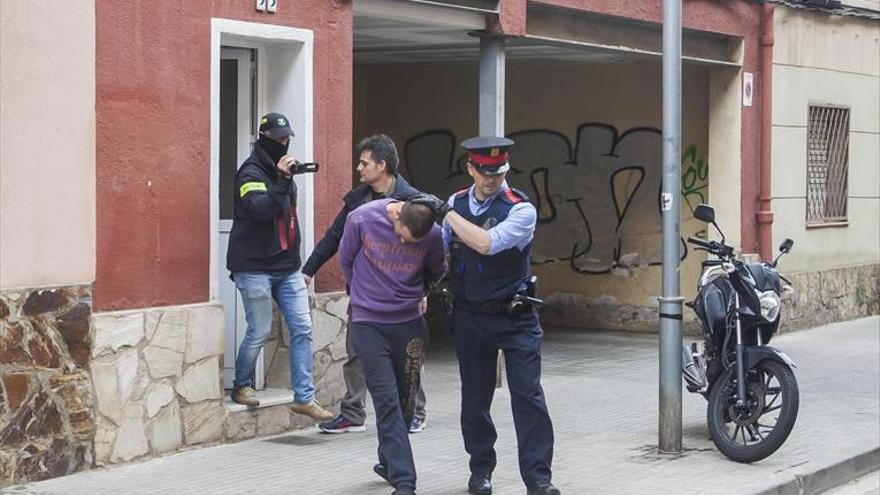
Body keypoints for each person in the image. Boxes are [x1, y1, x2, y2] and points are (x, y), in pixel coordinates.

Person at [411, 136, 561, 495]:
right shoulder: (457, 203)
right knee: (475, 399)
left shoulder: (520, 208)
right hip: (470, 316)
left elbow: (487, 243)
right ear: (471, 168)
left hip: (516, 316)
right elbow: (442, 254)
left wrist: (446, 214)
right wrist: (419, 285)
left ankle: (539, 479)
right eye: (484, 172)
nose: (492, 179)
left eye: (498, 172)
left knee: (528, 396)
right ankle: (480, 471)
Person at [303, 135, 429, 434]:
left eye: (364, 162)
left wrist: (423, 290)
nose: (359, 168)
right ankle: (353, 413)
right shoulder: (357, 200)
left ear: (382, 165)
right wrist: (308, 270)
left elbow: (426, 250)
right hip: (364, 294)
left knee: (407, 355)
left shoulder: (412, 201)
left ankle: (415, 411)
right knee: (357, 351)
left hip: (402, 295)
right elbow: (335, 237)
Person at [226, 112, 333, 422]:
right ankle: (242, 384)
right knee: (259, 329)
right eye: (277, 138)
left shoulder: (282, 171)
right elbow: (260, 210)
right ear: (264, 138)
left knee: (302, 328)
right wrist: (283, 180)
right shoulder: (250, 173)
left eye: (287, 137)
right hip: (253, 267)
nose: (284, 143)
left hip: (286, 267)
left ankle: (304, 398)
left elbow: (288, 217)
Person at [338, 197, 446, 495]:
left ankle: (388, 461)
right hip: (368, 322)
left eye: (409, 242)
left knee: (405, 405)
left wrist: (420, 291)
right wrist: (361, 293)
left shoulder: (434, 234)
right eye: (400, 234)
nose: (401, 241)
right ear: (397, 215)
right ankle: (405, 482)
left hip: (409, 325)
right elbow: (345, 259)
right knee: (386, 401)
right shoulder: (361, 218)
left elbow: (437, 269)